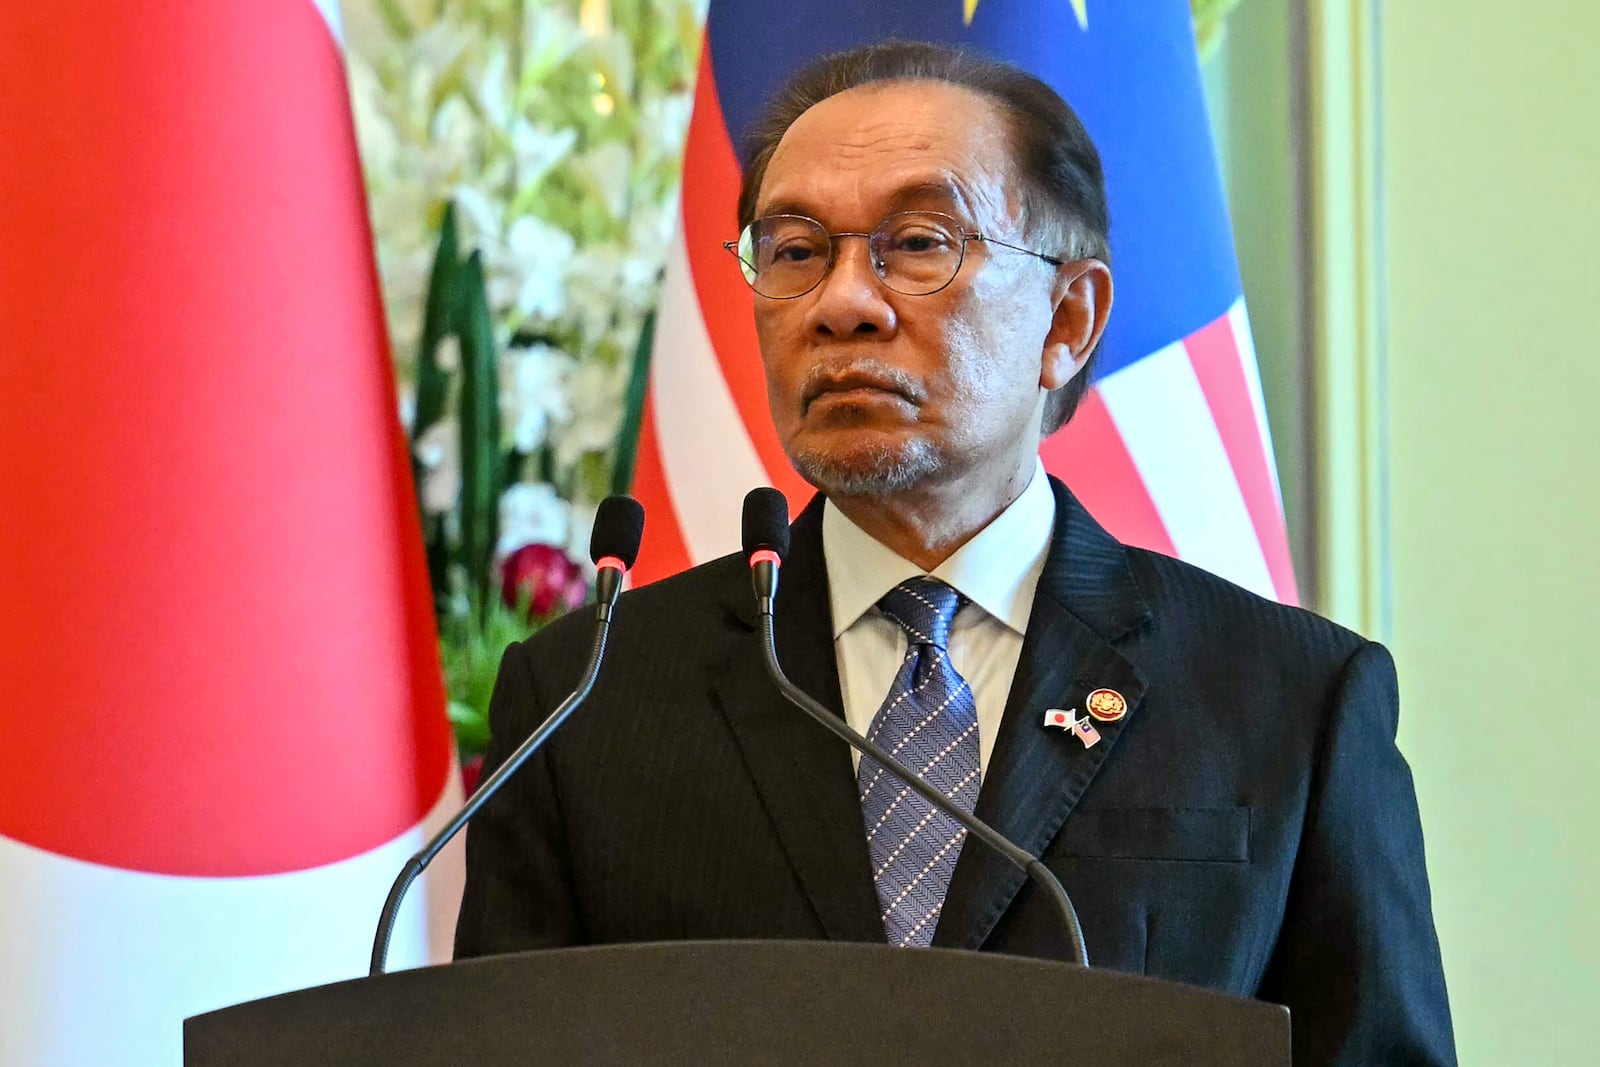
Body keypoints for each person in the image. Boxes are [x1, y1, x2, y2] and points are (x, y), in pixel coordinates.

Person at [455, 41, 1455, 1066]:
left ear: (1068, 318)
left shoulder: (1286, 698)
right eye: (795, 250)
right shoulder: (587, 696)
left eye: (919, 242)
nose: (844, 302)